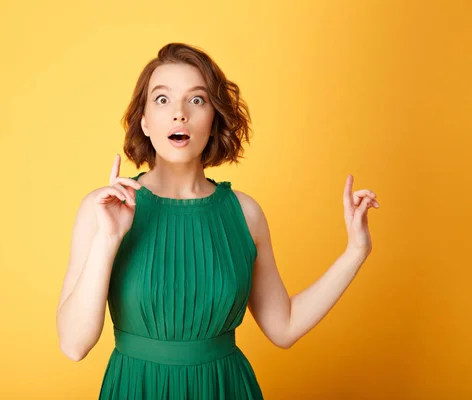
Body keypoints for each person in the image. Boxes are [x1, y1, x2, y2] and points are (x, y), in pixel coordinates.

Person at [56, 42, 380, 399]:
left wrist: (355, 251)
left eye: (197, 100)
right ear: (144, 121)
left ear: (214, 120)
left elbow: (284, 327)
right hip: (137, 388)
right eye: (162, 100)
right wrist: (108, 239)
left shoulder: (245, 213)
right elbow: (73, 345)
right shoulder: (102, 208)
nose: (180, 113)